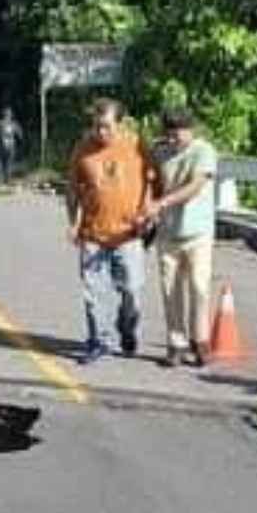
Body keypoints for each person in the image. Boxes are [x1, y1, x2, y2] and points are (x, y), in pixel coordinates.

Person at [66, 98, 155, 365]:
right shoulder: (83, 149)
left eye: (106, 127)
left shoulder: (137, 145)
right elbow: (73, 190)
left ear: (120, 123)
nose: (100, 133)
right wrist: (73, 223)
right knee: (93, 293)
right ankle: (98, 340)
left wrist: (147, 211)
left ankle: (126, 327)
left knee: (132, 291)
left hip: (128, 234)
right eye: (96, 127)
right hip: (93, 234)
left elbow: (151, 181)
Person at [145, 108, 218, 368]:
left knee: (199, 288)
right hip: (168, 233)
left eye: (177, 134)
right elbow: (151, 181)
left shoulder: (203, 151)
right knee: (170, 290)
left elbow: (195, 186)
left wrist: (162, 203)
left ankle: (201, 342)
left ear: (191, 130)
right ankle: (176, 343)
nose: (173, 139)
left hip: (197, 233)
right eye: (169, 134)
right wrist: (148, 209)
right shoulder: (160, 151)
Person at [0, 108, 23, 185]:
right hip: (7, 147)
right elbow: (20, 136)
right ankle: (5, 180)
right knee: (5, 164)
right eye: (7, 114)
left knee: (1, 164)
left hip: (4, 147)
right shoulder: (13, 124)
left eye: (7, 114)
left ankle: (0, 180)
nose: (7, 116)